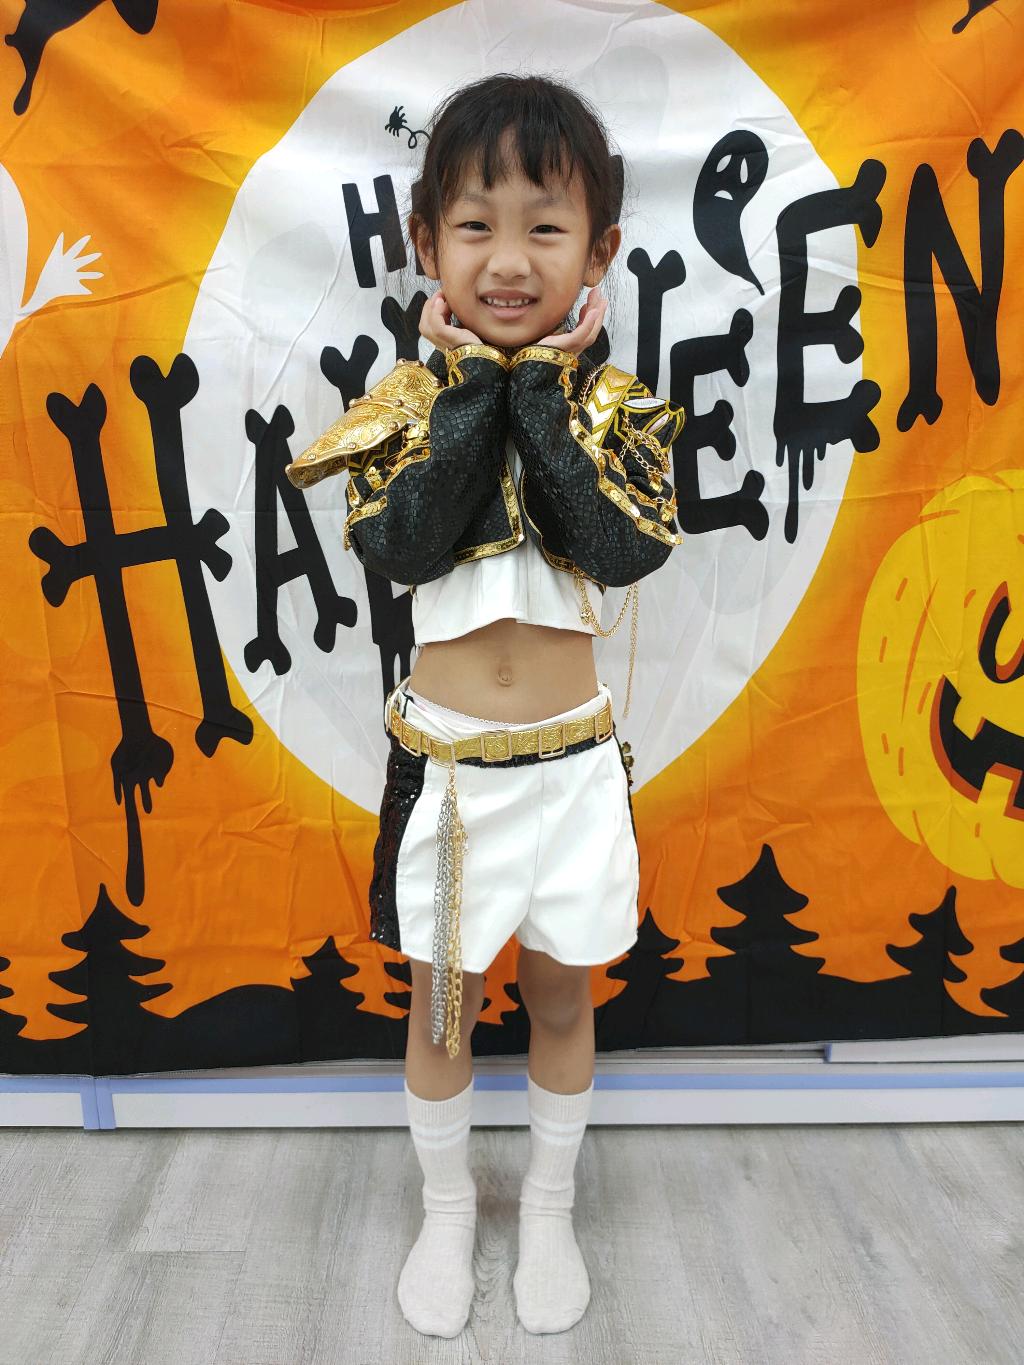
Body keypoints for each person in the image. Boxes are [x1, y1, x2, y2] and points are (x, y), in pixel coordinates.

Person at [287, 73, 685, 1339]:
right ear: (427, 244)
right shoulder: (403, 413)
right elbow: (399, 546)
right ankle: (449, 1208)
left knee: (563, 996)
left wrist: (538, 395)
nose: (508, 261)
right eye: (475, 225)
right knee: (443, 1006)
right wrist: (471, 391)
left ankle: (550, 1207)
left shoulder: (618, 412)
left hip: (571, 770)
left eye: (544, 228)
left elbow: (619, 547)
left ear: (598, 253)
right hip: (451, 776)